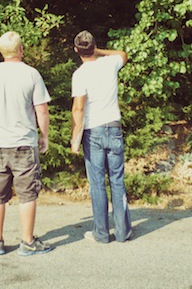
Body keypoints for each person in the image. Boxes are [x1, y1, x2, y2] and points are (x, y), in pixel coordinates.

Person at [0, 31, 53, 256]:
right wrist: (44, 135)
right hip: (24, 144)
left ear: (1, 51)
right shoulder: (31, 74)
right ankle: (28, 242)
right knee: (27, 194)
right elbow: (41, 109)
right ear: (21, 49)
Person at [70, 30, 133, 243]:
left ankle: (102, 233)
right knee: (117, 180)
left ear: (76, 50)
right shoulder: (109, 64)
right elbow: (123, 54)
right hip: (114, 127)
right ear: (94, 46)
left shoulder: (79, 74)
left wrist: (75, 138)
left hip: (93, 132)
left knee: (97, 183)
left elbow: (78, 108)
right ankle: (124, 232)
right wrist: (100, 51)